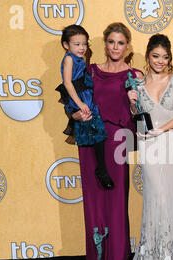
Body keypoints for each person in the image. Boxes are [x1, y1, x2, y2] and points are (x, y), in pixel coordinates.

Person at [71, 22, 142, 260]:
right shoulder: (90, 71)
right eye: (111, 42)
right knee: (94, 199)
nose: (115, 47)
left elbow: (142, 112)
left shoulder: (135, 75)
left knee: (116, 199)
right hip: (91, 140)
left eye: (120, 42)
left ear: (127, 46)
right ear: (105, 44)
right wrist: (77, 115)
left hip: (117, 141)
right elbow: (73, 100)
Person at [123, 34, 173, 260]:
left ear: (170, 59)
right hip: (149, 144)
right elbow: (138, 116)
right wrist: (132, 105)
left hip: (171, 143)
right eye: (155, 56)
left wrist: (163, 129)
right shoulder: (137, 86)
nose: (160, 61)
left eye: (165, 57)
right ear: (147, 56)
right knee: (154, 200)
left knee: (170, 200)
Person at [56, 24, 114, 189]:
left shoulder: (80, 59)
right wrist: (80, 103)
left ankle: (101, 168)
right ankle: (101, 170)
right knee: (95, 130)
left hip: (86, 96)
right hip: (79, 97)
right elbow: (67, 83)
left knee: (98, 132)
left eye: (84, 44)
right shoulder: (68, 58)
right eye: (77, 44)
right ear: (66, 45)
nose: (82, 48)